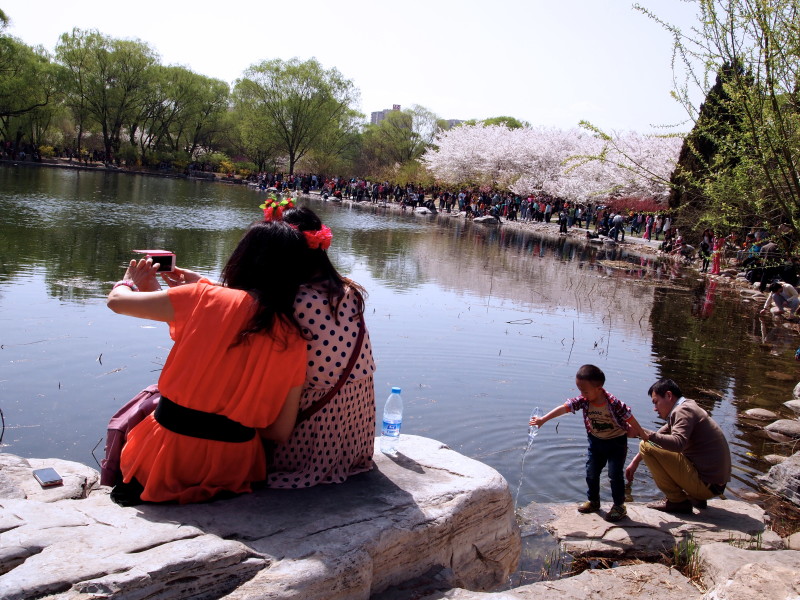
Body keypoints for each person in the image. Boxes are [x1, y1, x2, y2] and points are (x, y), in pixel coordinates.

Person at [106, 216, 309, 504]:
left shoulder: (204, 298)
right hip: (234, 467)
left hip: (166, 457)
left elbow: (117, 302)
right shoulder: (294, 337)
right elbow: (279, 431)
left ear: (242, 258)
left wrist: (130, 281)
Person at [529, 365, 644, 523]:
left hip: (616, 442)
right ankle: (594, 501)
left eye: (585, 391)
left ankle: (619, 506)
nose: (582, 394)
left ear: (599, 388)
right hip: (596, 441)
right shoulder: (584, 401)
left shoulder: (613, 403)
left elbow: (629, 417)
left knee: (614, 474)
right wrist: (543, 420)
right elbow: (564, 408)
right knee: (591, 472)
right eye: (579, 390)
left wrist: (642, 433)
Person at [625, 379, 731, 514]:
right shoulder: (687, 407)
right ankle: (694, 497)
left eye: (656, 402)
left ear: (669, 396)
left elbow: (677, 443)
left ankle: (676, 501)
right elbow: (660, 435)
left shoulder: (683, 411)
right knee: (652, 444)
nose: (655, 408)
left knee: (645, 446)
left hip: (706, 486)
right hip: (713, 485)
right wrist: (635, 462)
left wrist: (643, 433)